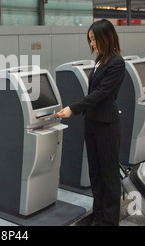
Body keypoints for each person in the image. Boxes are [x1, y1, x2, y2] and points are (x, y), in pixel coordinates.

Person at [55, 19, 125, 226]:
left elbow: (101, 93)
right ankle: (100, 212)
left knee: (109, 174)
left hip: (107, 125)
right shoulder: (100, 60)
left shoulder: (117, 62)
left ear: (106, 37)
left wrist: (73, 108)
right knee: (95, 172)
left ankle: (110, 220)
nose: (92, 44)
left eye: (94, 39)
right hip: (93, 123)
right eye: (90, 40)